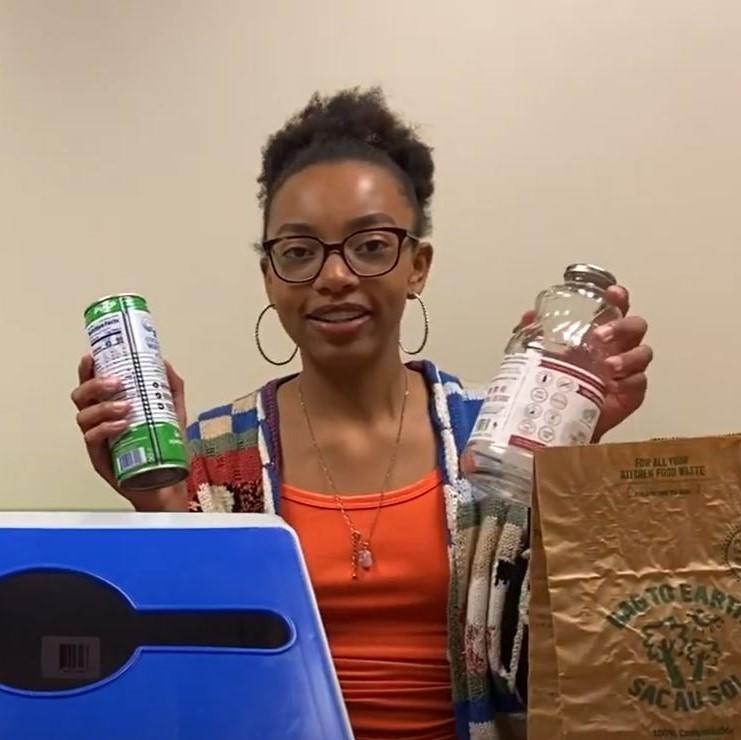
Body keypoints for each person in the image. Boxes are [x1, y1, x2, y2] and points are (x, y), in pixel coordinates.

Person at [71, 88, 652, 740]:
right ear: (269, 276)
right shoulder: (211, 453)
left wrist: (579, 453)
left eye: (369, 245)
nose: (335, 276)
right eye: (298, 252)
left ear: (416, 266)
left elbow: (578, 645)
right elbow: (190, 672)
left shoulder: (497, 434)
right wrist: (164, 507)